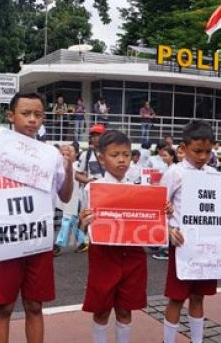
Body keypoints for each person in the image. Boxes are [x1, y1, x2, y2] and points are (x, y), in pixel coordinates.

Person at [0, 92, 74, 343]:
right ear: (11, 116)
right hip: (7, 240)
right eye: (25, 113)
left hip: (37, 240)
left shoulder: (51, 155)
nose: (32, 120)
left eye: (38, 115)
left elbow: (65, 193)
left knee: (34, 306)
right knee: (4, 307)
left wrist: (69, 167)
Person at [79, 130, 168, 343]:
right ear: (101, 157)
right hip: (104, 255)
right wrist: (83, 222)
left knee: (125, 309)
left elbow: (153, 220)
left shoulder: (141, 187)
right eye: (115, 154)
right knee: (101, 310)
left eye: (126, 155)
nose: (121, 160)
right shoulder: (93, 188)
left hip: (133, 254)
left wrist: (165, 210)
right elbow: (84, 227)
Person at [160, 121, 221, 343]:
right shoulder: (174, 172)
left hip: (207, 245)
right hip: (182, 245)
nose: (202, 156)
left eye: (208, 151)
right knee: (176, 298)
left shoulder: (214, 174)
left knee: (198, 297)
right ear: (183, 148)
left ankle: (197, 341)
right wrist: (168, 229)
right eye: (197, 151)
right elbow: (158, 207)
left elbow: (220, 211)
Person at [54, 144, 87, 256]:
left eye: (69, 153)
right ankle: (83, 242)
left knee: (66, 221)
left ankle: (58, 245)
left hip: (74, 200)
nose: (66, 156)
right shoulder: (61, 166)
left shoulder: (77, 166)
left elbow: (83, 179)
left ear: (76, 154)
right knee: (72, 222)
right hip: (65, 200)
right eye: (63, 154)